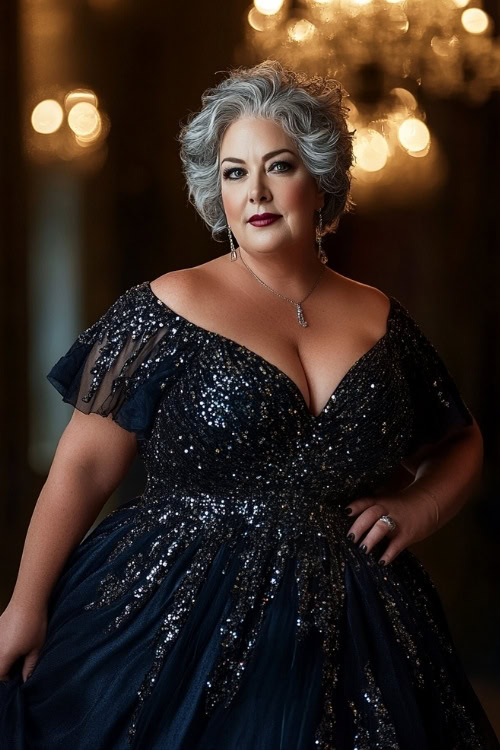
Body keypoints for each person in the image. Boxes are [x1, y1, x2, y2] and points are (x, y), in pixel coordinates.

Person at [0, 59, 498, 749]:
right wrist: (25, 606)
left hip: (356, 633)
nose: (256, 191)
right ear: (217, 190)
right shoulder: (167, 307)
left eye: (279, 166)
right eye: (234, 172)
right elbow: (82, 467)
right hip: (176, 624)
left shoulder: (381, 320)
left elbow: (460, 440)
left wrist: (419, 507)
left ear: (319, 179)